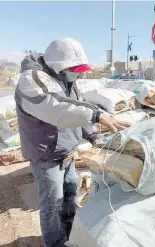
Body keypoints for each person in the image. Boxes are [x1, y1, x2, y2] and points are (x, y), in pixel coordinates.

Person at [15, 38, 131, 247]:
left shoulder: (66, 80)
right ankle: (55, 242)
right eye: (74, 69)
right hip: (46, 155)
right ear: (59, 67)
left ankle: (69, 235)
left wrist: (92, 134)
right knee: (52, 204)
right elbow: (58, 108)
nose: (77, 74)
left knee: (69, 196)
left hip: (66, 152)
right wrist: (97, 115)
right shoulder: (31, 80)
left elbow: (78, 107)